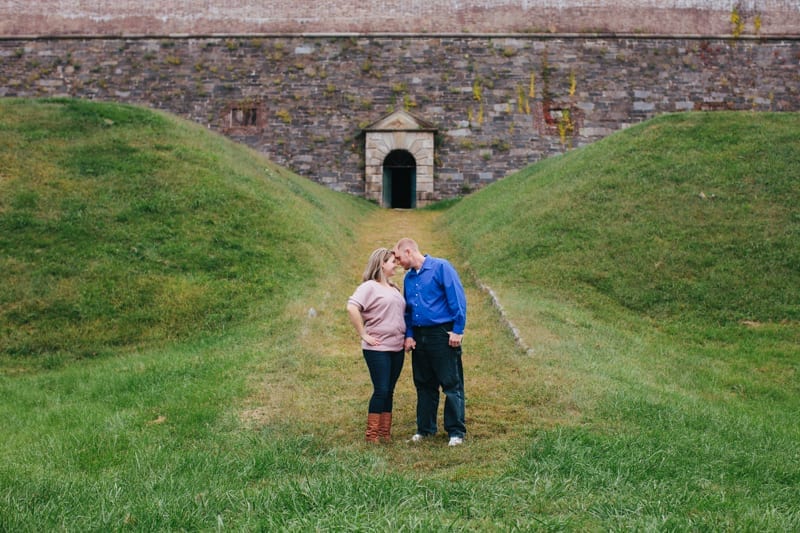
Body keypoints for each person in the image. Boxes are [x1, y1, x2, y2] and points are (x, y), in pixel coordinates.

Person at [393, 237, 467, 447]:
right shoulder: (408, 279)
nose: (398, 262)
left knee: (451, 383)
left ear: (409, 251)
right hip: (419, 336)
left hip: (442, 334)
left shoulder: (441, 267)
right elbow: (408, 310)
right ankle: (425, 429)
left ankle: (455, 431)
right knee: (424, 384)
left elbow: (457, 298)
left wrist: (457, 330)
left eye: (398, 257)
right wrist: (409, 334)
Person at [347, 248, 406, 443]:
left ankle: (384, 433)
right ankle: (372, 435)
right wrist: (364, 333)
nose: (396, 265)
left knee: (389, 390)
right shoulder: (369, 287)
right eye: (392, 262)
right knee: (381, 389)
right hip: (377, 349)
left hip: (396, 347)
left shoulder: (394, 288)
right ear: (381, 263)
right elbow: (352, 306)